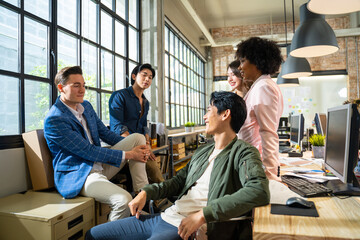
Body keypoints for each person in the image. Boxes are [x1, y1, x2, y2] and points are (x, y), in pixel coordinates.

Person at [86, 91, 270, 240]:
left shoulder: (244, 152)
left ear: (225, 114)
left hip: (182, 227)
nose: (205, 117)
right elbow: (177, 182)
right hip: (165, 216)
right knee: (93, 235)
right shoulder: (204, 151)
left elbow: (258, 191)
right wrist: (146, 192)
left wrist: (203, 215)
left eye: (208, 110)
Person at [44, 66, 151, 221]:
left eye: (83, 85)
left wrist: (136, 149)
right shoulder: (55, 119)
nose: (82, 90)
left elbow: (106, 134)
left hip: (100, 165)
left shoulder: (85, 106)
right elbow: (88, 151)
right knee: (123, 200)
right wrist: (130, 154)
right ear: (61, 88)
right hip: (81, 175)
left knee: (138, 138)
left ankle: (143, 194)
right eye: (76, 85)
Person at [235, 37, 284, 181]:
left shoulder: (264, 87)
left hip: (257, 166)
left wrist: (269, 175)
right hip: (251, 163)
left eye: (243, 61)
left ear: (257, 61)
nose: (239, 67)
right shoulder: (259, 86)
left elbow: (268, 132)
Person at [109, 63, 164, 183]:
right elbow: (118, 127)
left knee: (153, 165)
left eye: (150, 77)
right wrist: (139, 147)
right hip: (122, 145)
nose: (147, 79)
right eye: (144, 75)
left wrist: (147, 145)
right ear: (134, 76)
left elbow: (144, 127)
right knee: (152, 168)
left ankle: (158, 197)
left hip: (141, 145)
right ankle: (162, 196)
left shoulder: (145, 102)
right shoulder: (119, 96)